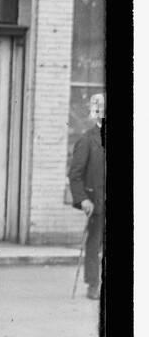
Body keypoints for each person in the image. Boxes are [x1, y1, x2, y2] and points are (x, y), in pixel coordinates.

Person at [68, 93, 105, 301]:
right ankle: (93, 284)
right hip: (97, 203)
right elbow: (75, 175)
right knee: (94, 245)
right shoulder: (87, 139)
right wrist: (83, 199)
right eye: (98, 109)